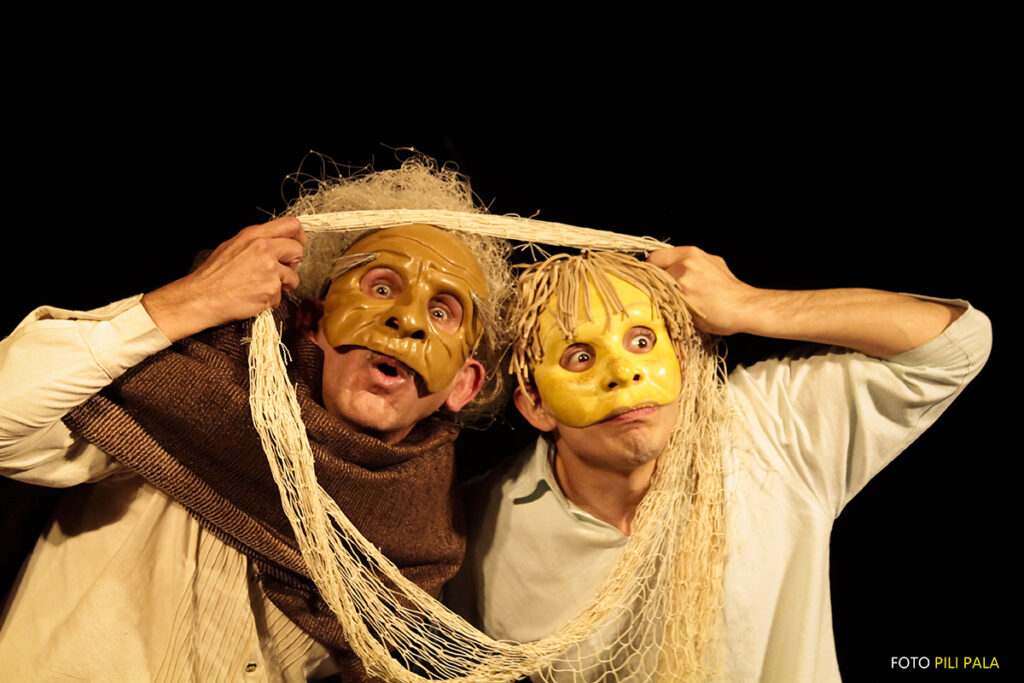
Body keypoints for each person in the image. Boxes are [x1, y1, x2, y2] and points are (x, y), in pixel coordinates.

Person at [0, 157, 513, 681]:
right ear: (314, 321)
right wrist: (192, 299)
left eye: (443, 310)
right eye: (381, 288)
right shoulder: (179, 393)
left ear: (463, 384)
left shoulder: (420, 542)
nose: (406, 319)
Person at [451, 249, 991, 681]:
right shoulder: (476, 530)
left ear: (680, 361)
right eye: (580, 357)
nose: (624, 372)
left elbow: (957, 344)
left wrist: (748, 305)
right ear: (535, 404)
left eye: (642, 341)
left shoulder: (768, 429)